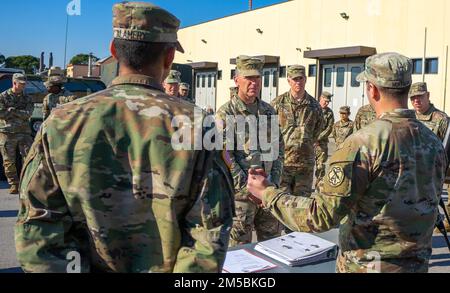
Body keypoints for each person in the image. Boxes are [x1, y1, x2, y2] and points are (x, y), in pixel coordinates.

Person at [15, 1, 234, 273]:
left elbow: (37, 228)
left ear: (113, 50)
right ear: (169, 58)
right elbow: (208, 231)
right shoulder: (198, 125)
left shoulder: (61, 122)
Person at [247, 52, 447, 273]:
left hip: (368, 267)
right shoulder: (434, 143)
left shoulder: (364, 143)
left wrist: (267, 194)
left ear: (372, 89)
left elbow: (320, 215)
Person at [216, 55, 284, 247]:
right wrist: (248, 187)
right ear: (237, 80)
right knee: (239, 253)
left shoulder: (268, 111)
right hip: (241, 198)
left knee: (273, 247)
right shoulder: (226, 112)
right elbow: (224, 155)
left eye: (257, 78)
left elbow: (279, 149)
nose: (253, 83)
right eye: (248, 78)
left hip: (268, 193)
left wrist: (274, 183)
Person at [271, 65, 323, 197]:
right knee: (281, 202)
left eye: (300, 78)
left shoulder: (314, 106)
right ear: (289, 80)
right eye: (294, 79)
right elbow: (268, 131)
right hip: (283, 163)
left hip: (305, 165)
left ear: (305, 79)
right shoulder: (278, 103)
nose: (298, 82)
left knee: (302, 204)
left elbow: (317, 130)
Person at [409, 81, 450, 231]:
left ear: (428, 96)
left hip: (431, 177)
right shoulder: (409, 117)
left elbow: (447, 152)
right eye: (413, 98)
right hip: (410, 176)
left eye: (420, 97)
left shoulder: (441, 119)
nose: (416, 101)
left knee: (426, 218)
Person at [0, 73, 33, 194]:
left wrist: (12, 111)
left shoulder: (28, 98)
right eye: (21, 84)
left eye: (24, 84)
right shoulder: (3, 96)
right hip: (7, 132)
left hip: (24, 132)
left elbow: (28, 114)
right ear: (14, 83)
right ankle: (14, 184)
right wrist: (19, 113)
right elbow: (1, 114)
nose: (23, 86)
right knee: (8, 160)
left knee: (29, 158)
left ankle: (27, 183)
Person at [314, 91, 334, 188]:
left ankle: (319, 187)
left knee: (321, 166)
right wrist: (311, 139)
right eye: (325, 101)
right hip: (309, 143)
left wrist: (318, 138)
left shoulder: (329, 113)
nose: (326, 103)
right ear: (320, 98)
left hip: (321, 144)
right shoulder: (312, 108)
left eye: (328, 102)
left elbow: (329, 128)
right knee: (306, 166)